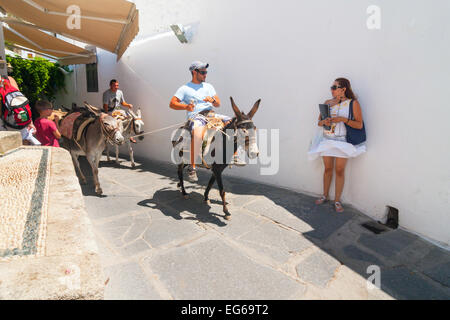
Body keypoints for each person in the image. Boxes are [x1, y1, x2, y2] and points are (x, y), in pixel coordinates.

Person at [170, 61, 236, 181]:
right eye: (203, 72)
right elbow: (172, 103)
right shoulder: (184, 88)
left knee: (233, 123)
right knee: (197, 134)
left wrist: (212, 100)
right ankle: (192, 167)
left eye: (206, 72)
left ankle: (235, 155)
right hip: (197, 116)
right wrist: (186, 107)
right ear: (194, 72)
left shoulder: (209, 86)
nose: (205, 74)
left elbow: (218, 103)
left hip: (211, 114)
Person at [308, 78, 366, 213]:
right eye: (331, 87)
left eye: (334, 87)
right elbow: (319, 123)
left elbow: (359, 124)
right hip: (327, 139)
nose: (331, 90)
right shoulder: (328, 103)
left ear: (343, 89)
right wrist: (325, 121)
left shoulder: (353, 103)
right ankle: (324, 195)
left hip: (342, 141)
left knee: (339, 170)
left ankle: (337, 200)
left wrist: (342, 119)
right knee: (327, 169)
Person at [0, 65, 40, 145]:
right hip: (19, 121)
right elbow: (20, 100)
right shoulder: (9, 79)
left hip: (4, 125)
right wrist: (30, 122)